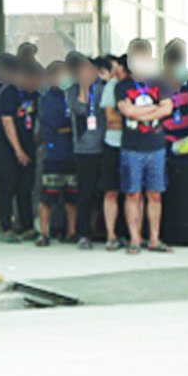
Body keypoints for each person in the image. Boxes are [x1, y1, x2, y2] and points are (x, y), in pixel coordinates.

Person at [116, 39, 173, 254]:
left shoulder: (160, 83)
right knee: (133, 194)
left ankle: (154, 239)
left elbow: (167, 109)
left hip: (156, 146)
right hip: (132, 147)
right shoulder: (123, 86)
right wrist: (153, 109)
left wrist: (140, 113)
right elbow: (127, 111)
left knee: (155, 194)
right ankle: (135, 238)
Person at [0, 58, 39, 241]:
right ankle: (6, 227)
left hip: (28, 145)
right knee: (7, 186)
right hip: (7, 148)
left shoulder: (34, 95)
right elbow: (7, 122)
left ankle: (27, 226)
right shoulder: (8, 93)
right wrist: (18, 150)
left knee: (25, 188)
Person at [67, 52, 106, 248]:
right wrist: (84, 86)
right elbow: (81, 110)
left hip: (103, 146)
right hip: (84, 149)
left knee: (104, 192)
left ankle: (102, 229)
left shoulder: (102, 88)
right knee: (85, 193)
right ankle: (84, 233)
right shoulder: (72, 91)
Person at [36, 60, 76, 245]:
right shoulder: (47, 99)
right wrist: (72, 127)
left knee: (71, 196)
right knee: (48, 196)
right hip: (53, 153)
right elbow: (57, 124)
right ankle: (44, 233)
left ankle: (71, 232)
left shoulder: (74, 95)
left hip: (72, 152)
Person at [97, 54, 127, 248]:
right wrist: (137, 118)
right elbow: (110, 120)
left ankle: (131, 234)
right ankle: (111, 234)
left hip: (134, 145)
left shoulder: (142, 86)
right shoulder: (112, 86)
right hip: (112, 144)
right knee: (111, 191)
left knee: (132, 193)